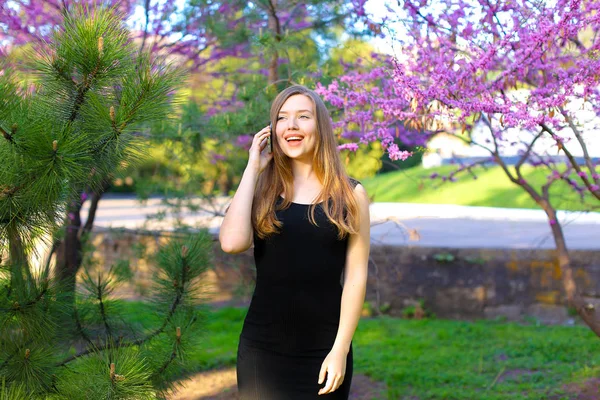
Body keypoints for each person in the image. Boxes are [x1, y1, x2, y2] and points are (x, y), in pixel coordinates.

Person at [219, 84, 370, 399]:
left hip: (325, 350)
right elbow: (232, 243)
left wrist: (340, 349)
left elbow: (356, 276)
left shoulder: (350, 194)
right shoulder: (262, 190)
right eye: (282, 118)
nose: (292, 126)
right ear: (273, 130)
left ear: (321, 127)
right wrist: (252, 168)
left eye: (303, 117)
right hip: (262, 351)